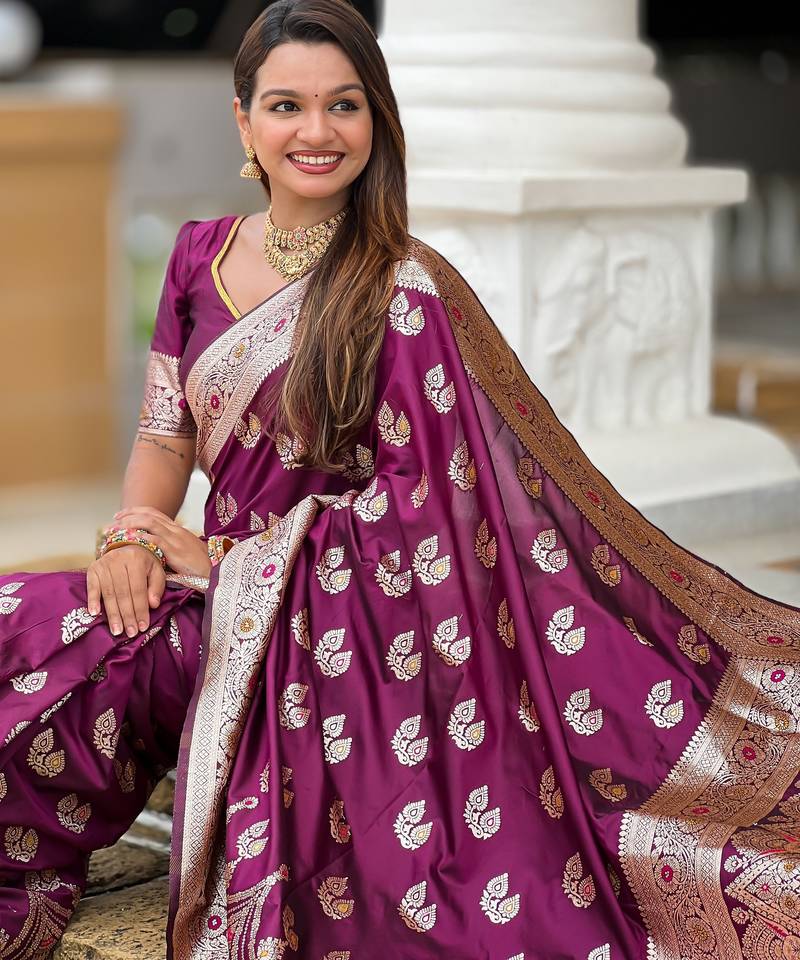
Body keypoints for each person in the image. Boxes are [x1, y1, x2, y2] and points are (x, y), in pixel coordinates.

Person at [1, 1, 799, 957]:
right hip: (207, 592)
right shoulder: (195, 254)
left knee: (88, 651)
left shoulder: (402, 289)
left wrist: (231, 567)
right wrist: (134, 531)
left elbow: (426, 516)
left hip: (319, 632)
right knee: (29, 617)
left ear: (375, 119)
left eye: (343, 105)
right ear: (244, 120)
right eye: (287, 105)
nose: (317, 130)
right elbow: (164, 435)